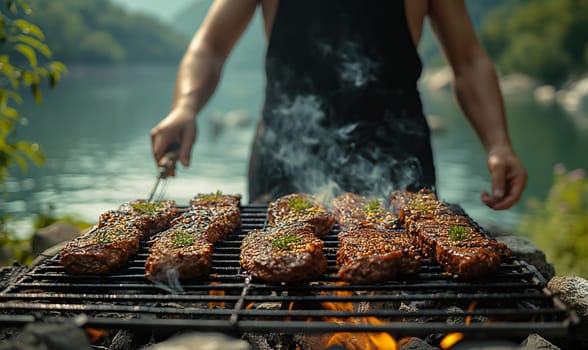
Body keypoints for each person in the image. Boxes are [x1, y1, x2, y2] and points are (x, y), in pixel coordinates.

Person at [150, 0, 527, 209]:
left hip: (397, 159)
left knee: (402, 289)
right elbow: (210, 45)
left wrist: (498, 143)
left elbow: (468, 59)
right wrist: (185, 106)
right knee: (282, 290)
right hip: (286, 158)